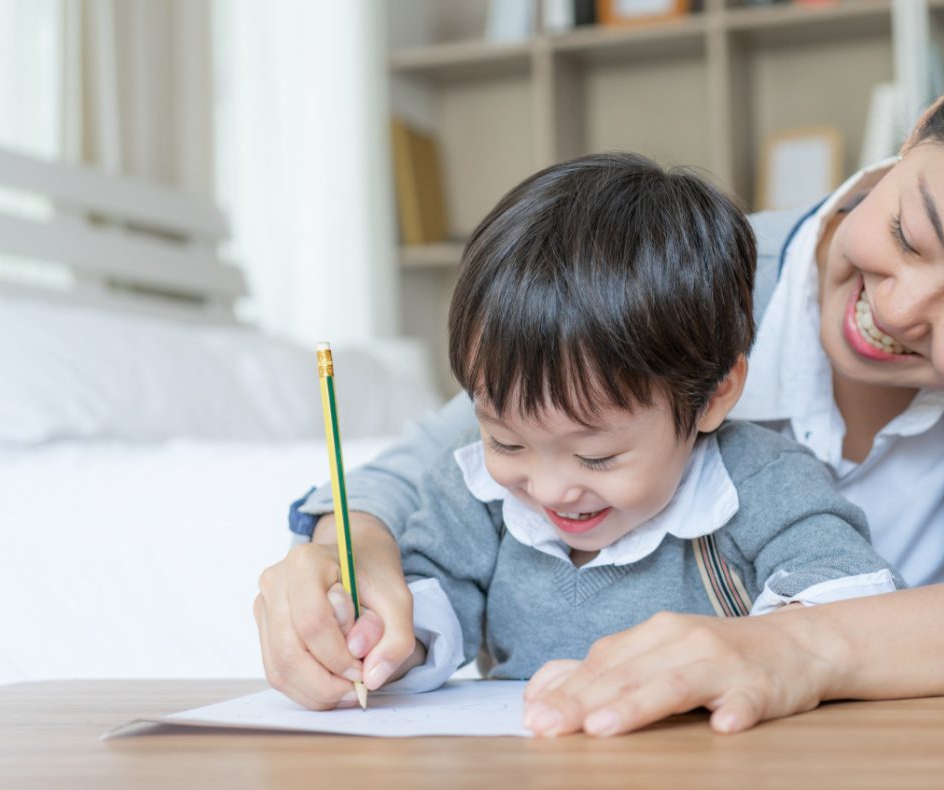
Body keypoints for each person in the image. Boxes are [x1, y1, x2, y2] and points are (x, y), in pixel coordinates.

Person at [256, 32, 944, 735]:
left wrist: (795, 648)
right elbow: (447, 456)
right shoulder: (710, 278)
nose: (895, 310)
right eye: (904, 232)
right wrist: (349, 558)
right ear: (938, 109)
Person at [265, 152, 900, 702]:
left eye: (596, 457)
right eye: (507, 441)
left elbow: (852, 605)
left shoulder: (762, 484)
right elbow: (432, 606)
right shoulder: (475, 493)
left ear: (713, 395)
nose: (547, 489)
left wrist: (766, 646)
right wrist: (378, 640)